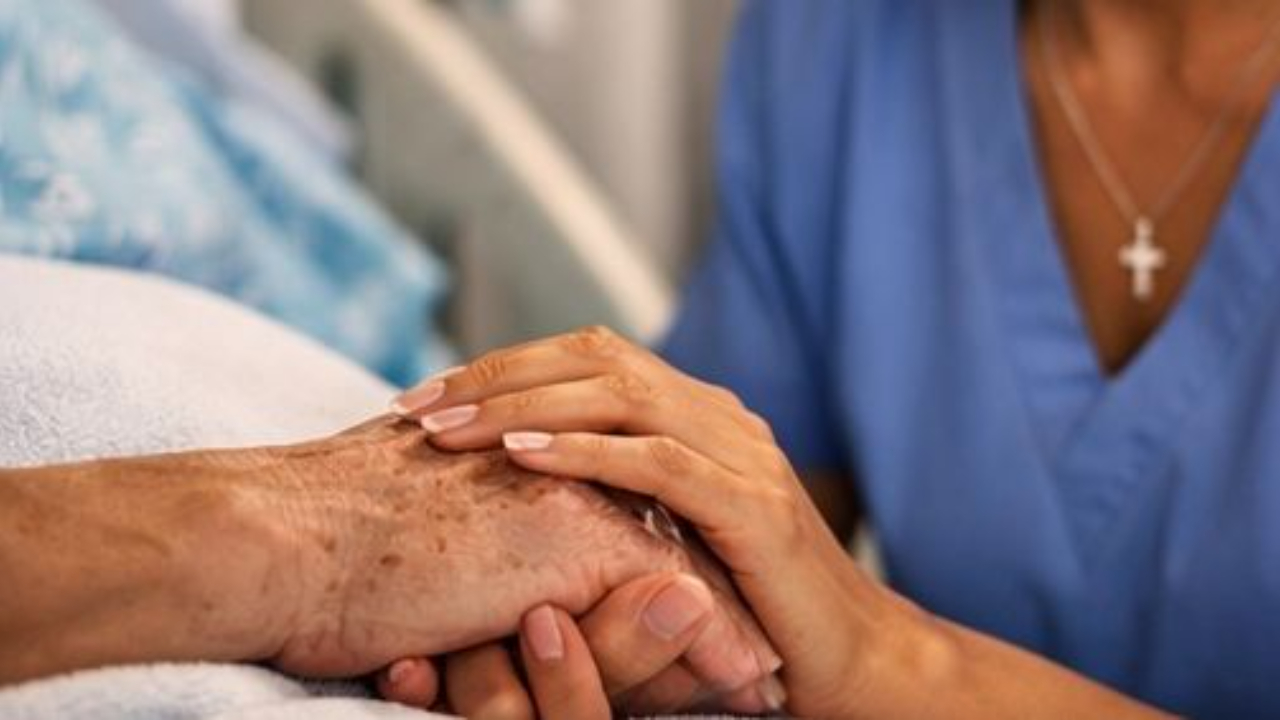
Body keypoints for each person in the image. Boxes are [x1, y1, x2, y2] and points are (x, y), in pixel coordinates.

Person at [386, 0, 1280, 717]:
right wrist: (563, 602)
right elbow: (716, 551)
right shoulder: (846, 35)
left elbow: (835, 629)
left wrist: (886, 658)